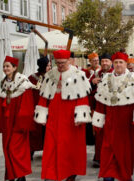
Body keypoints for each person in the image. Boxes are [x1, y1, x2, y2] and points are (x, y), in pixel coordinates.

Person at [34, 49, 92, 181]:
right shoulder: (50, 74)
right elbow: (44, 96)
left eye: (63, 63)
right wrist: (42, 114)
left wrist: (81, 117)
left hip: (72, 116)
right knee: (51, 145)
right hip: (54, 115)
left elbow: (83, 97)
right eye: (58, 63)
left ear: (69, 61)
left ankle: (71, 172)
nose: (60, 65)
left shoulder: (78, 74)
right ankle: (51, 172)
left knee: (71, 147)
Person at [92, 51, 134, 181]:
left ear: (125, 64)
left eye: (121, 62)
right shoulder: (106, 79)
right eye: (116, 62)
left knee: (124, 154)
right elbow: (101, 102)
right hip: (110, 123)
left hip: (126, 124)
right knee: (107, 151)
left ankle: (125, 176)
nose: (118, 65)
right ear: (113, 63)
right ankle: (108, 176)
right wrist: (98, 122)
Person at [0, 56, 35, 181]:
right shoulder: (3, 83)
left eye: (8, 66)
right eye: (4, 66)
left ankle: (21, 175)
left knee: (14, 149)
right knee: (6, 148)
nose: (5, 69)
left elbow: (27, 106)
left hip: (18, 123)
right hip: (7, 123)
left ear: (15, 68)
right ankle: (12, 175)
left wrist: (22, 123)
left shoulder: (23, 83)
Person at [91, 53, 113, 168]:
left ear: (111, 62)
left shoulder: (115, 73)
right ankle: (98, 157)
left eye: (107, 61)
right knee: (99, 133)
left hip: (111, 108)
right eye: (103, 61)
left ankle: (110, 158)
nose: (105, 63)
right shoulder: (97, 74)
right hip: (98, 108)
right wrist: (92, 83)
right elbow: (88, 89)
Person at [28, 57, 51, 160]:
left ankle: (48, 152)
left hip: (49, 108)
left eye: (50, 65)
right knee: (34, 131)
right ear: (42, 66)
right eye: (48, 65)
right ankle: (31, 150)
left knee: (47, 132)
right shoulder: (32, 78)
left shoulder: (52, 77)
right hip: (36, 108)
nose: (50, 67)